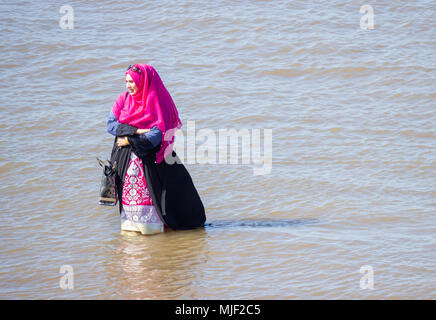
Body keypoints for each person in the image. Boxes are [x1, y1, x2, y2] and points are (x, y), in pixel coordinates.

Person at [107, 64, 206, 235]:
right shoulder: (123, 100)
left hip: (151, 160)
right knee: (128, 204)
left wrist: (129, 139)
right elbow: (111, 126)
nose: (129, 85)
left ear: (144, 81)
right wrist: (137, 131)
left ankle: (156, 239)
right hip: (125, 160)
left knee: (156, 198)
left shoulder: (157, 101)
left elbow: (156, 135)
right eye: (127, 81)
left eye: (132, 81)